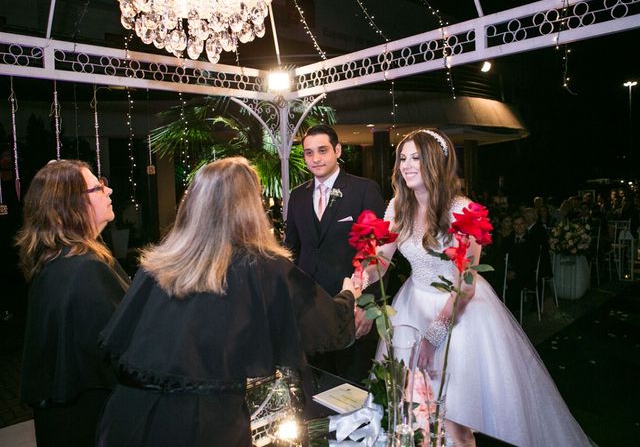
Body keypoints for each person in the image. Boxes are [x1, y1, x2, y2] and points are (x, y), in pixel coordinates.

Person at [97, 157, 360, 447]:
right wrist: (349, 295)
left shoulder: (158, 264)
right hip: (204, 425)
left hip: (129, 416)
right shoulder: (263, 267)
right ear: (250, 207)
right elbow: (329, 327)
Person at [363, 130, 591, 446]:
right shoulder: (396, 207)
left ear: (435, 162)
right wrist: (361, 277)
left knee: (456, 422)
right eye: (402, 158)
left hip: (460, 316)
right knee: (412, 409)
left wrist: (432, 337)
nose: (406, 165)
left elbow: (466, 286)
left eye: (416, 157)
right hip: (412, 307)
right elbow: (381, 261)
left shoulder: (463, 211)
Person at [14, 160, 129, 447]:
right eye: (98, 187)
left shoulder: (58, 262)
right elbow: (125, 352)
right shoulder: (84, 270)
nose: (109, 189)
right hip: (93, 425)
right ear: (71, 206)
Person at [284, 124, 386, 383]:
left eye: (322, 150)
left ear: (337, 150)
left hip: (351, 309)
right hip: (310, 310)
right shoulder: (297, 196)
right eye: (308, 153)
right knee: (314, 389)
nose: (315, 158)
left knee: (352, 387)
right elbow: (291, 251)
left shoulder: (364, 189)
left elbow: (378, 253)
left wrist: (368, 305)